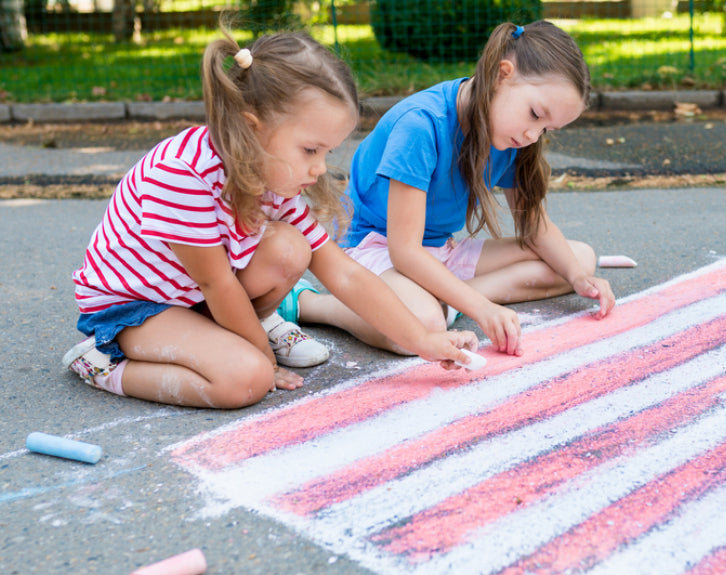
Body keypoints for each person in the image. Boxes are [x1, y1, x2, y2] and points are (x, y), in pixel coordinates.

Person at [62, 29, 478, 409]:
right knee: (245, 380)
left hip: (192, 297)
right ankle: (102, 366)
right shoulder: (181, 177)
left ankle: (243, 332)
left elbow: (344, 274)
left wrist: (424, 339)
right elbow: (217, 283)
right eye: (310, 150)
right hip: (136, 307)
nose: (320, 168)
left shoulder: (268, 179)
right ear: (252, 128)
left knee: (288, 247)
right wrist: (260, 356)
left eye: (327, 153)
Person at [278, 20, 615, 357]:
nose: (533, 135)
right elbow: (404, 251)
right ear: (503, 74)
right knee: (424, 323)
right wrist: (483, 309)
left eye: (546, 129)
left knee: (579, 260)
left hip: (439, 251)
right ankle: (313, 305)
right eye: (535, 115)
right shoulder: (421, 125)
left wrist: (576, 277)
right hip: (374, 249)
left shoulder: (513, 138)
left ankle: (447, 296)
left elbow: (535, 227)